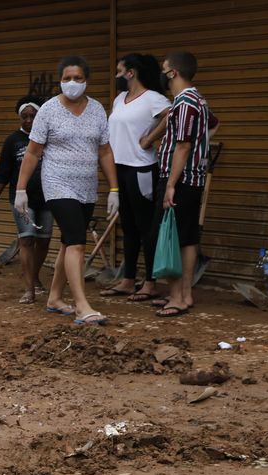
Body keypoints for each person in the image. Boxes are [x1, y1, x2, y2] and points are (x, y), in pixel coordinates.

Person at [15, 56, 120, 325]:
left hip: (86, 186)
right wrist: (21, 189)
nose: (72, 83)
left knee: (67, 242)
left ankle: (54, 298)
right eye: (67, 78)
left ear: (87, 80)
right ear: (60, 80)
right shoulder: (48, 110)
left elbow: (105, 151)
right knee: (76, 242)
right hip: (57, 183)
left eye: (78, 78)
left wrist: (114, 188)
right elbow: (33, 152)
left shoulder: (96, 110)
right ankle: (82, 306)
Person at [146, 51, 217, 318]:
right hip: (192, 179)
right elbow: (212, 125)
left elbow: (183, 146)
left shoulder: (185, 102)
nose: (163, 74)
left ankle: (176, 296)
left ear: (173, 72)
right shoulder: (198, 99)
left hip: (180, 179)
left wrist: (171, 184)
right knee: (186, 238)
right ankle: (185, 294)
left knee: (169, 235)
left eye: (165, 69)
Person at [101, 54, 172, 302]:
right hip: (119, 168)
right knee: (128, 226)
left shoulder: (153, 98)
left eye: (119, 71)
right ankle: (128, 279)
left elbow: (171, 115)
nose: (117, 76)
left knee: (146, 227)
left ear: (131, 72)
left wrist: (150, 138)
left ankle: (151, 282)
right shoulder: (120, 99)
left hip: (141, 168)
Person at [0, 97, 52, 304]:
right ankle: (29, 289)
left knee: (44, 241)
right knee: (26, 239)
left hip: (47, 198)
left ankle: (34, 275)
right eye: (25, 117)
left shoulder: (49, 139)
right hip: (22, 199)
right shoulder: (12, 141)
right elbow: (2, 175)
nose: (29, 120)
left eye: (33, 116)